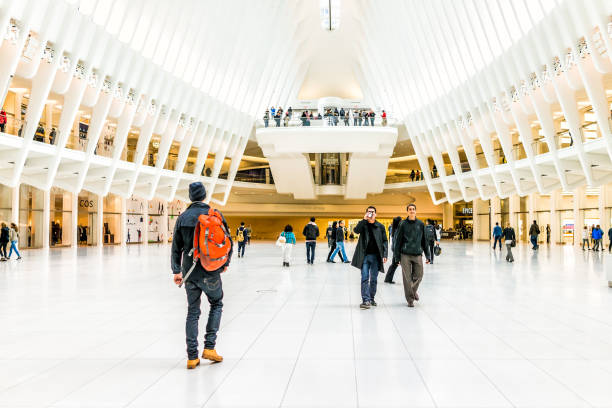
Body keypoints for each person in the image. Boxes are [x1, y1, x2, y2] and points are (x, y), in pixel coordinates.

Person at [171, 182, 231, 369]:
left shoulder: (182, 218)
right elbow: (227, 240)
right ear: (204, 196)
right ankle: (210, 347)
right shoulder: (214, 214)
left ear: (190, 197)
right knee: (217, 303)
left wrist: (176, 271)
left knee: (193, 312)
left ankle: (191, 357)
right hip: (211, 269)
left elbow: (176, 248)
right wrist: (224, 264)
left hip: (190, 272)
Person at [351, 206, 388, 309]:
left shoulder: (380, 226)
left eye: (372, 212)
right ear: (366, 213)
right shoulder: (363, 225)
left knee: (374, 279)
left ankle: (371, 299)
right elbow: (356, 231)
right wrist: (363, 219)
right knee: (364, 278)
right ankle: (365, 300)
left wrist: (385, 254)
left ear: (376, 214)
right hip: (365, 256)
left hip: (376, 257)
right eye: (369, 212)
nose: (371, 213)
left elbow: (385, 240)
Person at [393, 203, 429, 307]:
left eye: (413, 209)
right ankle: (410, 300)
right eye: (410, 209)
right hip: (405, 255)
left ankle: (412, 292)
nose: (412, 211)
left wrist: (428, 255)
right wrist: (396, 257)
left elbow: (424, 241)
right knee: (407, 278)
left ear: (416, 211)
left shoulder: (421, 224)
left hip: (417, 254)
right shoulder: (403, 224)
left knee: (419, 275)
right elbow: (398, 241)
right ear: (407, 211)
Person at [384, 216, 402, 284]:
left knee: (393, 265)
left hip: (395, 249)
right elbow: (397, 242)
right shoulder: (398, 230)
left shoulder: (394, 229)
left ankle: (387, 279)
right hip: (397, 250)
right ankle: (388, 279)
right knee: (394, 265)